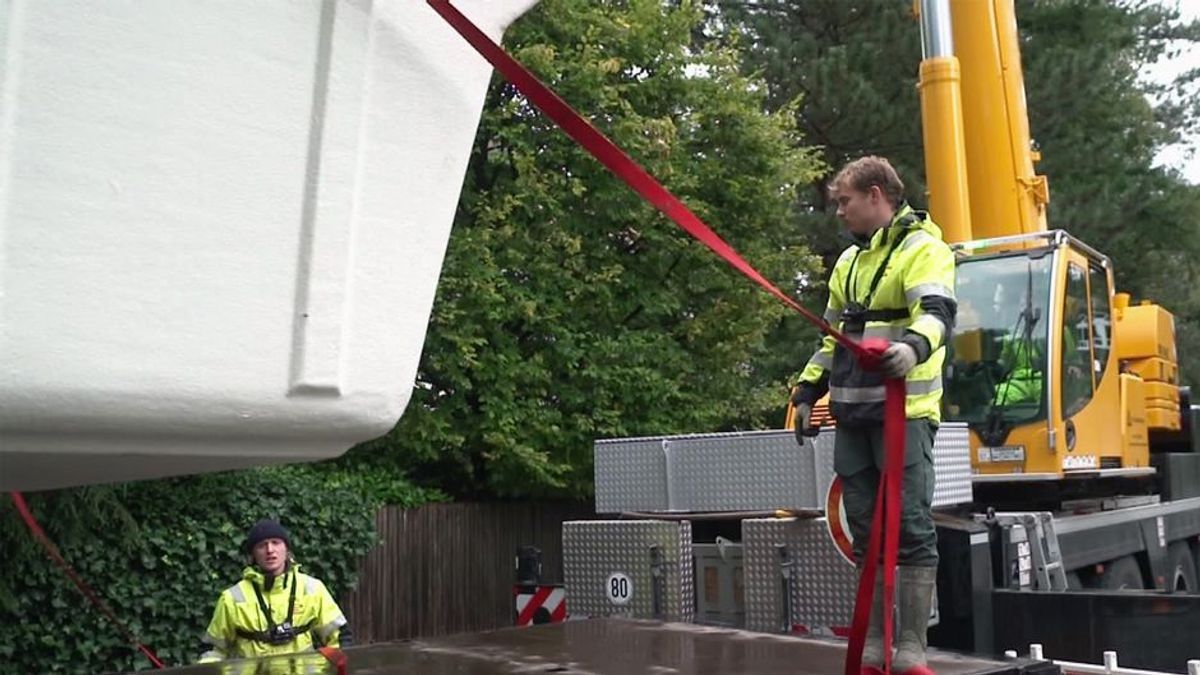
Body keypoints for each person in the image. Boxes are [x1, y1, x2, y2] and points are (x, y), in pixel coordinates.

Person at [792, 156, 955, 675]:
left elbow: (938, 314)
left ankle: (911, 645)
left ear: (877, 194)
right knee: (865, 530)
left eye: (846, 201)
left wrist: (911, 348)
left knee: (909, 524)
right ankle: (876, 639)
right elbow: (831, 341)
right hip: (853, 416)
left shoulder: (923, 250)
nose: (839, 212)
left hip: (903, 414)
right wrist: (805, 391)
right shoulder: (848, 263)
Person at [198, 519, 351, 663]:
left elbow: (339, 636)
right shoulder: (232, 598)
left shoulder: (311, 588)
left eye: (276, 543)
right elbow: (213, 650)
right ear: (253, 555)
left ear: (286, 549)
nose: (270, 550)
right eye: (262, 545)